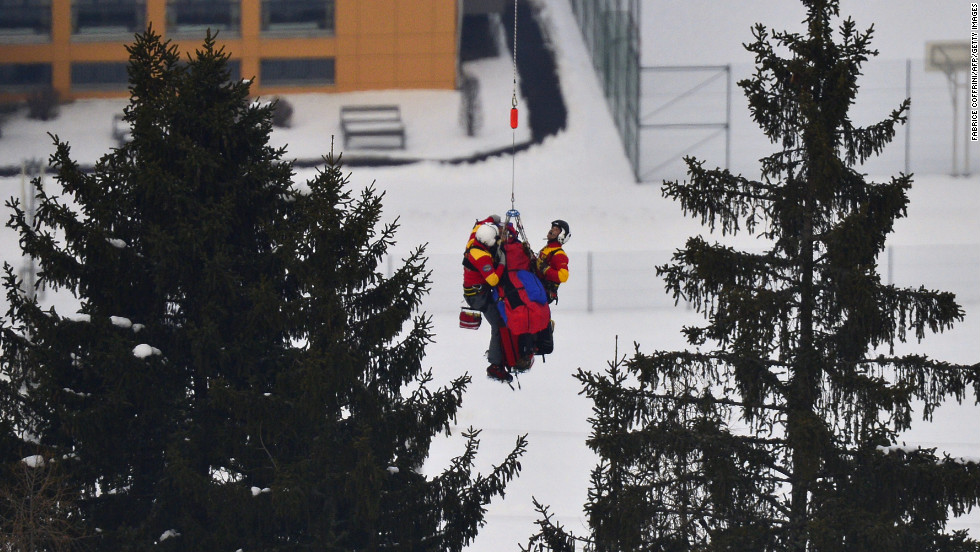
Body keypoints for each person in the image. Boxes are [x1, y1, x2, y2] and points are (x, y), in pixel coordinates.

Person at [462, 216, 511, 382]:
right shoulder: (481, 257)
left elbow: (478, 226)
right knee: (499, 324)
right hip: (479, 297)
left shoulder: (473, 241)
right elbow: (493, 280)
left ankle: (497, 352)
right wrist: (502, 263)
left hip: (475, 292)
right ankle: (495, 365)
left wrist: (493, 219)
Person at [535, 219, 570, 304]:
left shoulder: (559, 254)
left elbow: (563, 276)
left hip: (544, 291)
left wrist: (545, 269)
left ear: (562, 235)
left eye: (556, 229)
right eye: (552, 228)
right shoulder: (547, 249)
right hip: (537, 284)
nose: (552, 230)